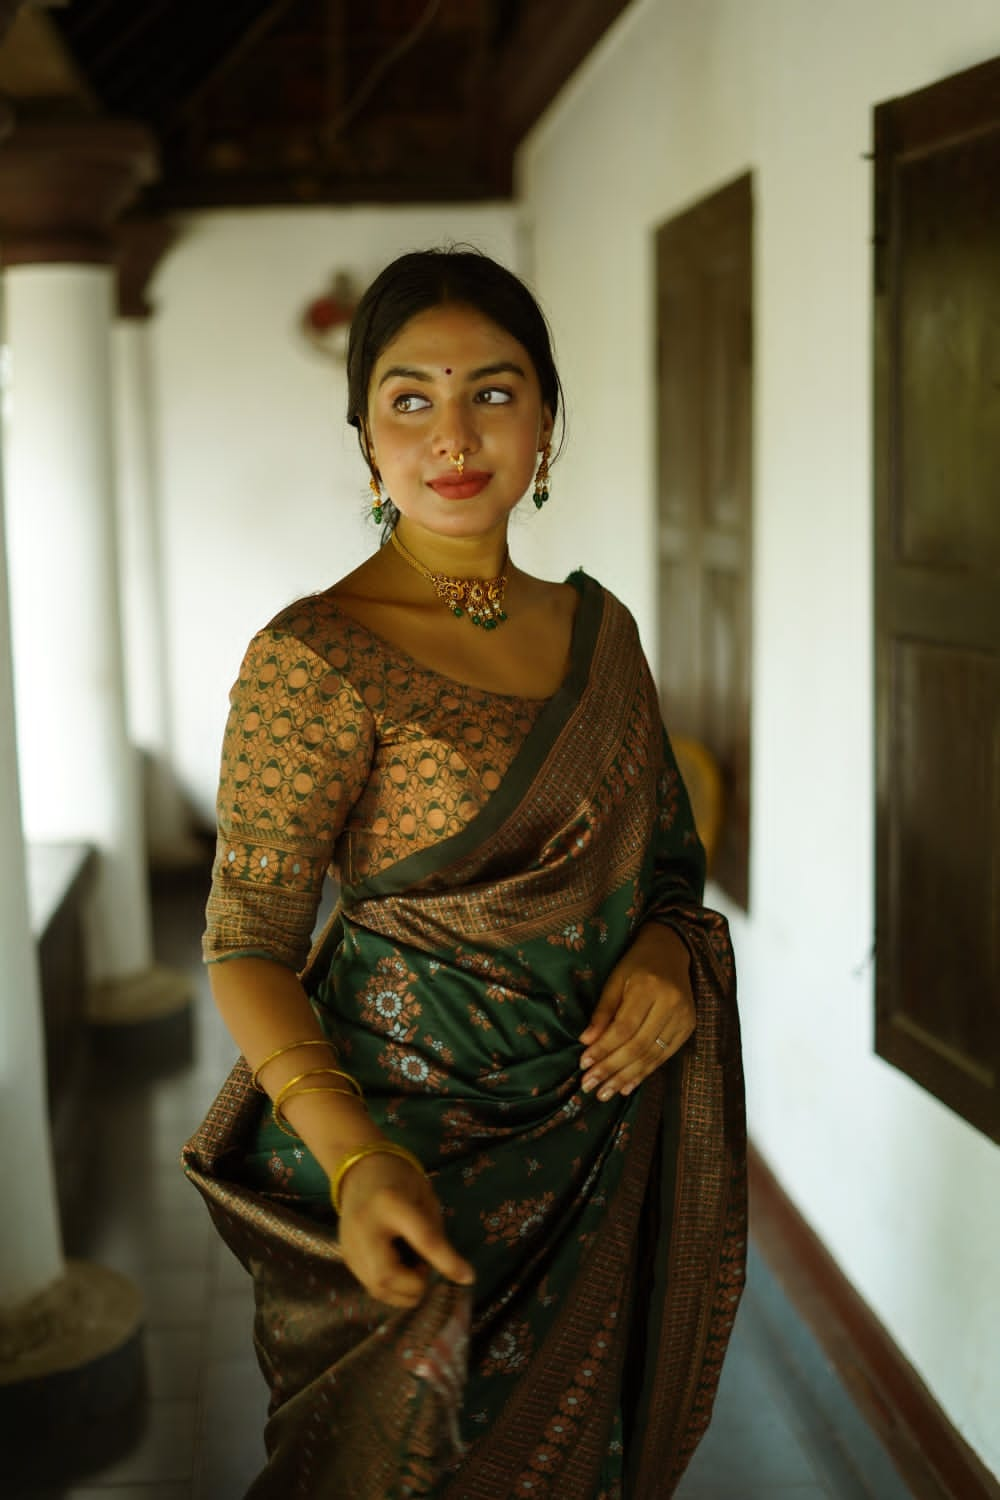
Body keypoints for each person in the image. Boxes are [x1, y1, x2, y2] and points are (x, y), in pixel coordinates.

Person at [183, 246, 746, 1500]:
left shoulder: (604, 636)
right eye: (410, 398)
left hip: (597, 1134)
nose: (454, 432)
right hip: (402, 1151)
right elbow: (248, 942)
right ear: (365, 438)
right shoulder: (313, 656)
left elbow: (662, 861)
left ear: (546, 420)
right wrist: (354, 1158)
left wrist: (664, 952)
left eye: (493, 392)